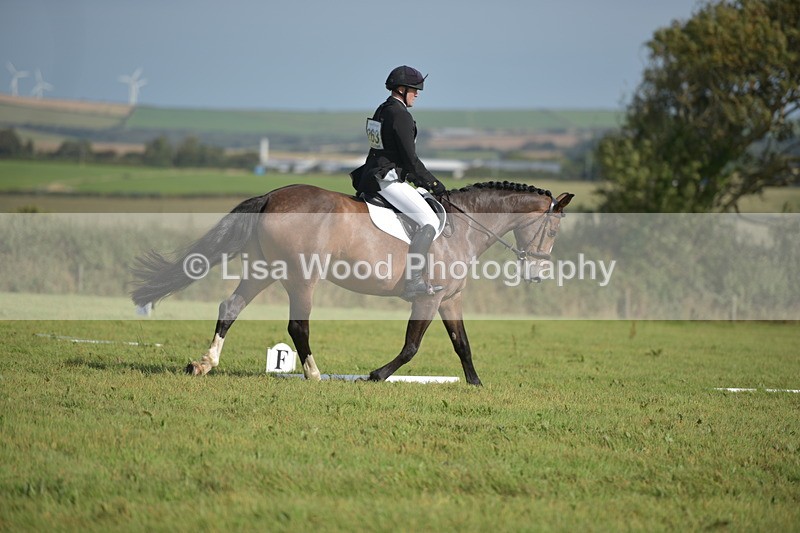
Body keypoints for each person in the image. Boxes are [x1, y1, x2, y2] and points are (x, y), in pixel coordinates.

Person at [350, 65, 447, 301]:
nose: (417, 94)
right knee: (429, 221)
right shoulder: (401, 114)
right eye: (414, 90)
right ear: (402, 89)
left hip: (372, 175)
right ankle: (413, 283)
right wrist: (433, 184)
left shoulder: (382, 109)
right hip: (387, 179)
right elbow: (409, 158)